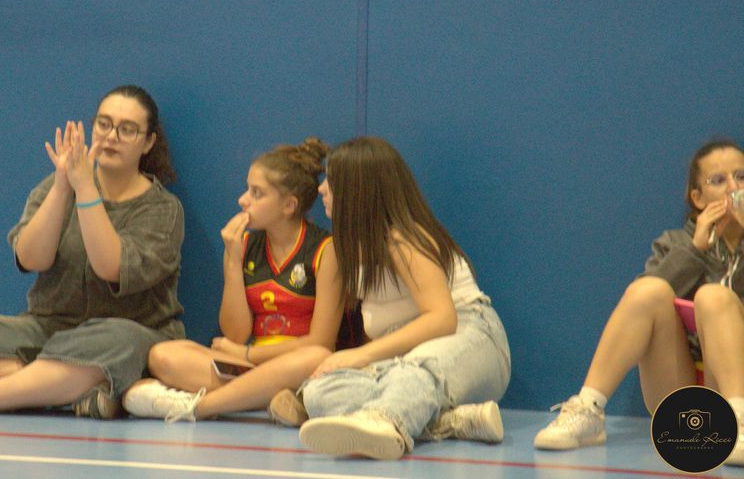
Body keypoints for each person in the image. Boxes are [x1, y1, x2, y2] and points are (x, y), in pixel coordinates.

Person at [0, 85, 184, 419]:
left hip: (125, 333)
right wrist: (63, 186)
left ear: (148, 142)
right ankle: (72, 388)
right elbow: (31, 258)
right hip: (50, 330)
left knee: (118, 341)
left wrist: (86, 189)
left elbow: (110, 266)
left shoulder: (162, 209)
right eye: (104, 124)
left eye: (127, 129)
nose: (112, 136)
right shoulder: (56, 186)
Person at [293, 136, 511, 460]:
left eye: (331, 182)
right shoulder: (356, 249)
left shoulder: (403, 238)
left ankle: (384, 422)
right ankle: (447, 422)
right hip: (407, 358)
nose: (322, 189)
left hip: (473, 337)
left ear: (357, 190)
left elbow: (443, 319)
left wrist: (362, 355)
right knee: (319, 392)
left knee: (414, 371)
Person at [534, 138, 744, 465]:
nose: (733, 188)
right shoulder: (674, 244)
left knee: (713, 297)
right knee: (649, 290)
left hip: (735, 387)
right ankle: (588, 407)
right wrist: (695, 250)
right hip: (685, 399)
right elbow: (643, 303)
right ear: (698, 198)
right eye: (718, 180)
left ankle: (740, 421)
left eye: (741, 177)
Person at [122, 138, 344, 422]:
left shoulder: (325, 250)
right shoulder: (245, 244)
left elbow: (321, 342)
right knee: (163, 355)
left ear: (288, 205)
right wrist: (233, 262)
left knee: (315, 357)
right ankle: (267, 397)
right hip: (248, 364)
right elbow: (235, 333)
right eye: (247, 189)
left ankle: (196, 406)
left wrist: (247, 354)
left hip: (297, 367)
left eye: (257, 193)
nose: (243, 200)